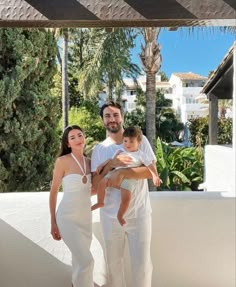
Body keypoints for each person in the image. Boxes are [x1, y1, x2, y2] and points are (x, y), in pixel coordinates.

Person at [91, 101, 161, 287]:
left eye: (115, 115)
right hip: (109, 216)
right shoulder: (99, 149)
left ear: (122, 117)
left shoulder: (140, 139)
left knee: (142, 266)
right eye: (107, 116)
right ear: (103, 120)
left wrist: (122, 173)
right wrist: (112, 164)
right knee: (113, 267)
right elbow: (95, 184)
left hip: (139, 214)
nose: (112, 119)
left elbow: (149, 172)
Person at [49, 125, 94, 287]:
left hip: (85, 219)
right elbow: (53, 191)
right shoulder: (62, 161)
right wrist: (53, 221)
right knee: (87, 261)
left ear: (84, 138)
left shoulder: (90, 162)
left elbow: (91, 191)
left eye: (79, 135)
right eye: (72, 137)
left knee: (79, 262)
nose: (77, 139)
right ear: (67, 143)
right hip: (66, 218)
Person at [91, 126, 160, 226]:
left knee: (126, 197)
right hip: (114, 174)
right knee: (102, 183)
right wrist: (102, 165)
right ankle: (100, 202)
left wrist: (155, 175)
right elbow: (110, 160)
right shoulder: (120, 151)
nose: (127, 144)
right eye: (125, 141)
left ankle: (120, 214)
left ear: (139, 143)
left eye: (131, 142)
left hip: (129, 179)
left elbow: (150, 165)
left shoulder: (140, 154)